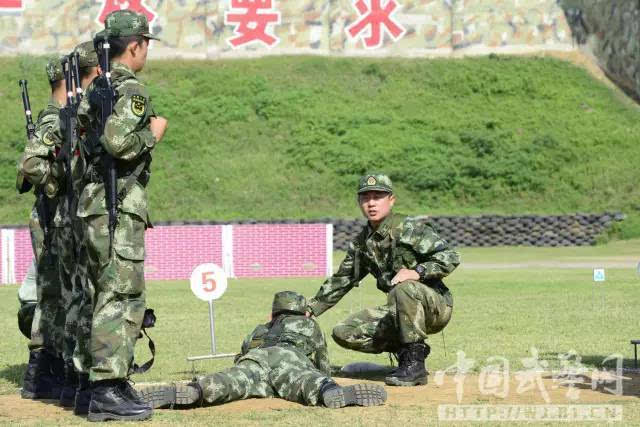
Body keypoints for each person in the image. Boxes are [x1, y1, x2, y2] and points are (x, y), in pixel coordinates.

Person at [76, 9, 167, 422]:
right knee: (119, 293)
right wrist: (153, 133)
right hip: (117, 204)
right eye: (145, 45)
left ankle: (103, 381)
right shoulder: (131, 89)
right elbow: (117, 142)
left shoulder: (96, 88)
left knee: (102, 291)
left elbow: (82, 141)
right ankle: (106, 388)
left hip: (93, 203)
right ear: (136, 46)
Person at [305, 173, 460, 387]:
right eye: (365, 198)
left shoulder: (410, 229)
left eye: (378, 196)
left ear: (391, 200)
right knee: (344, 332)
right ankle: (408, 352)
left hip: (434, 306)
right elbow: (343, 279)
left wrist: (418, 271)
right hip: (399, 310)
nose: (371, 203)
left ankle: (414, 365)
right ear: (359, 202)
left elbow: (450, 257)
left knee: (403, 287)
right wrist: (310, 308)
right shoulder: (362, 244)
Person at [138, 291, 387, 409]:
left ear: (273, 313)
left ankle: (195, 390)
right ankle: (330, 393)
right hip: (289, 358)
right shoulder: (309, 324)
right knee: (307, 382)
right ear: (301, 312)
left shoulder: (259, 328)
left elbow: (241, 357)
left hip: (254, 360)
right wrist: (326, 379)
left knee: (227, 382)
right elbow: (321, 361)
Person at [55, 40, 101, 412]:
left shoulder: (76, 111)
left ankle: (76, 380)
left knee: (78, 297)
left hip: (73, 213)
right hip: (82, 215)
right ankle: (86, 381)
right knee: (88, 297)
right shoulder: (82, 110)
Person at [18, 57, 68, 400]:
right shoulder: (57, 118)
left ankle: (46, 370)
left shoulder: (50, 117)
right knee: (53, 292)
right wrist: (56, 187)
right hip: (51, 216)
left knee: (55, 291)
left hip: (48, 214)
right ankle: (41, 372)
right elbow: (30, 169)